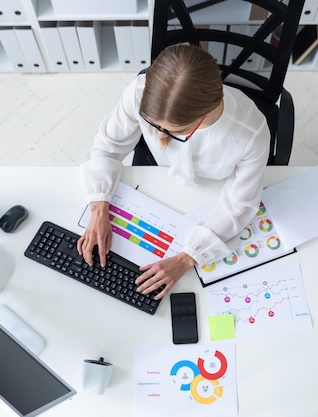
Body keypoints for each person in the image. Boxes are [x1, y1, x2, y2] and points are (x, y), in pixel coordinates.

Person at [77, 44, 270, 300]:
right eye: (154, 124)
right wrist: (99, 206)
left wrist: (187, 257)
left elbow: (240, 205)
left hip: (212, 193)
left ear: (207, 112)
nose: (158, 136)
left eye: (174, 131)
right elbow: (108, 146)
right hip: (160, 181)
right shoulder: (137, 92)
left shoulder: (250, 133)